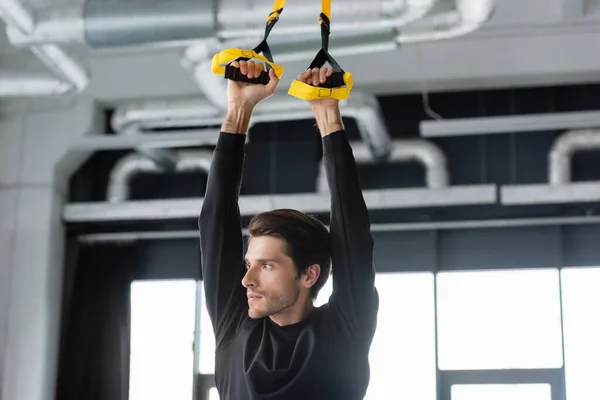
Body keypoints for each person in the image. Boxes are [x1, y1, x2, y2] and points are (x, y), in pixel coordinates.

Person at [199, 59, 379, 400]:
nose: (246, 279)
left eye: (266, 265)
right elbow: (214, 221)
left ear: (309, 275)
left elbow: (353, 228)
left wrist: (328, 114)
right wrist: (238, 110)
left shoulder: (345, 330)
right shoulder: (234, 326)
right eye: (249, 264)